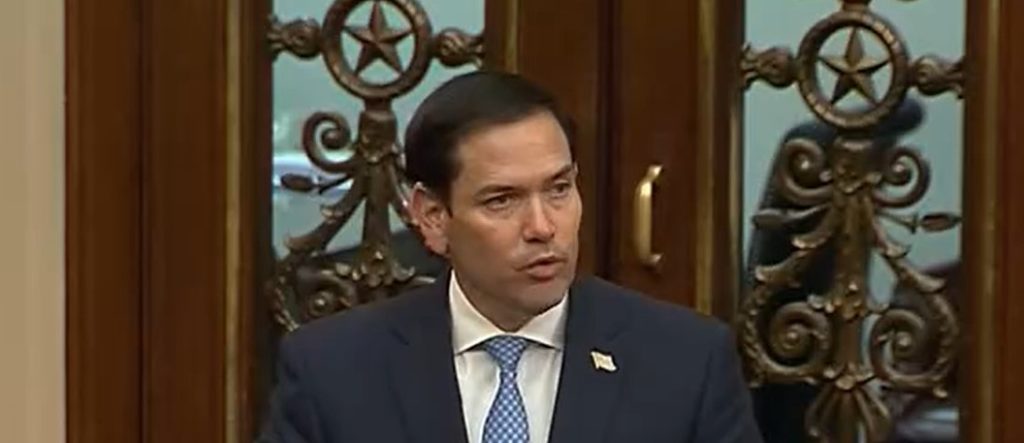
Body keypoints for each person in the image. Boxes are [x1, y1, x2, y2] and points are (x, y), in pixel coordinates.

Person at [257, 71, 762, 443]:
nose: (542, 227)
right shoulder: (333, 372)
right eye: (502, 200)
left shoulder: (686, 363)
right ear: (432, 217)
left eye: (559, 189)